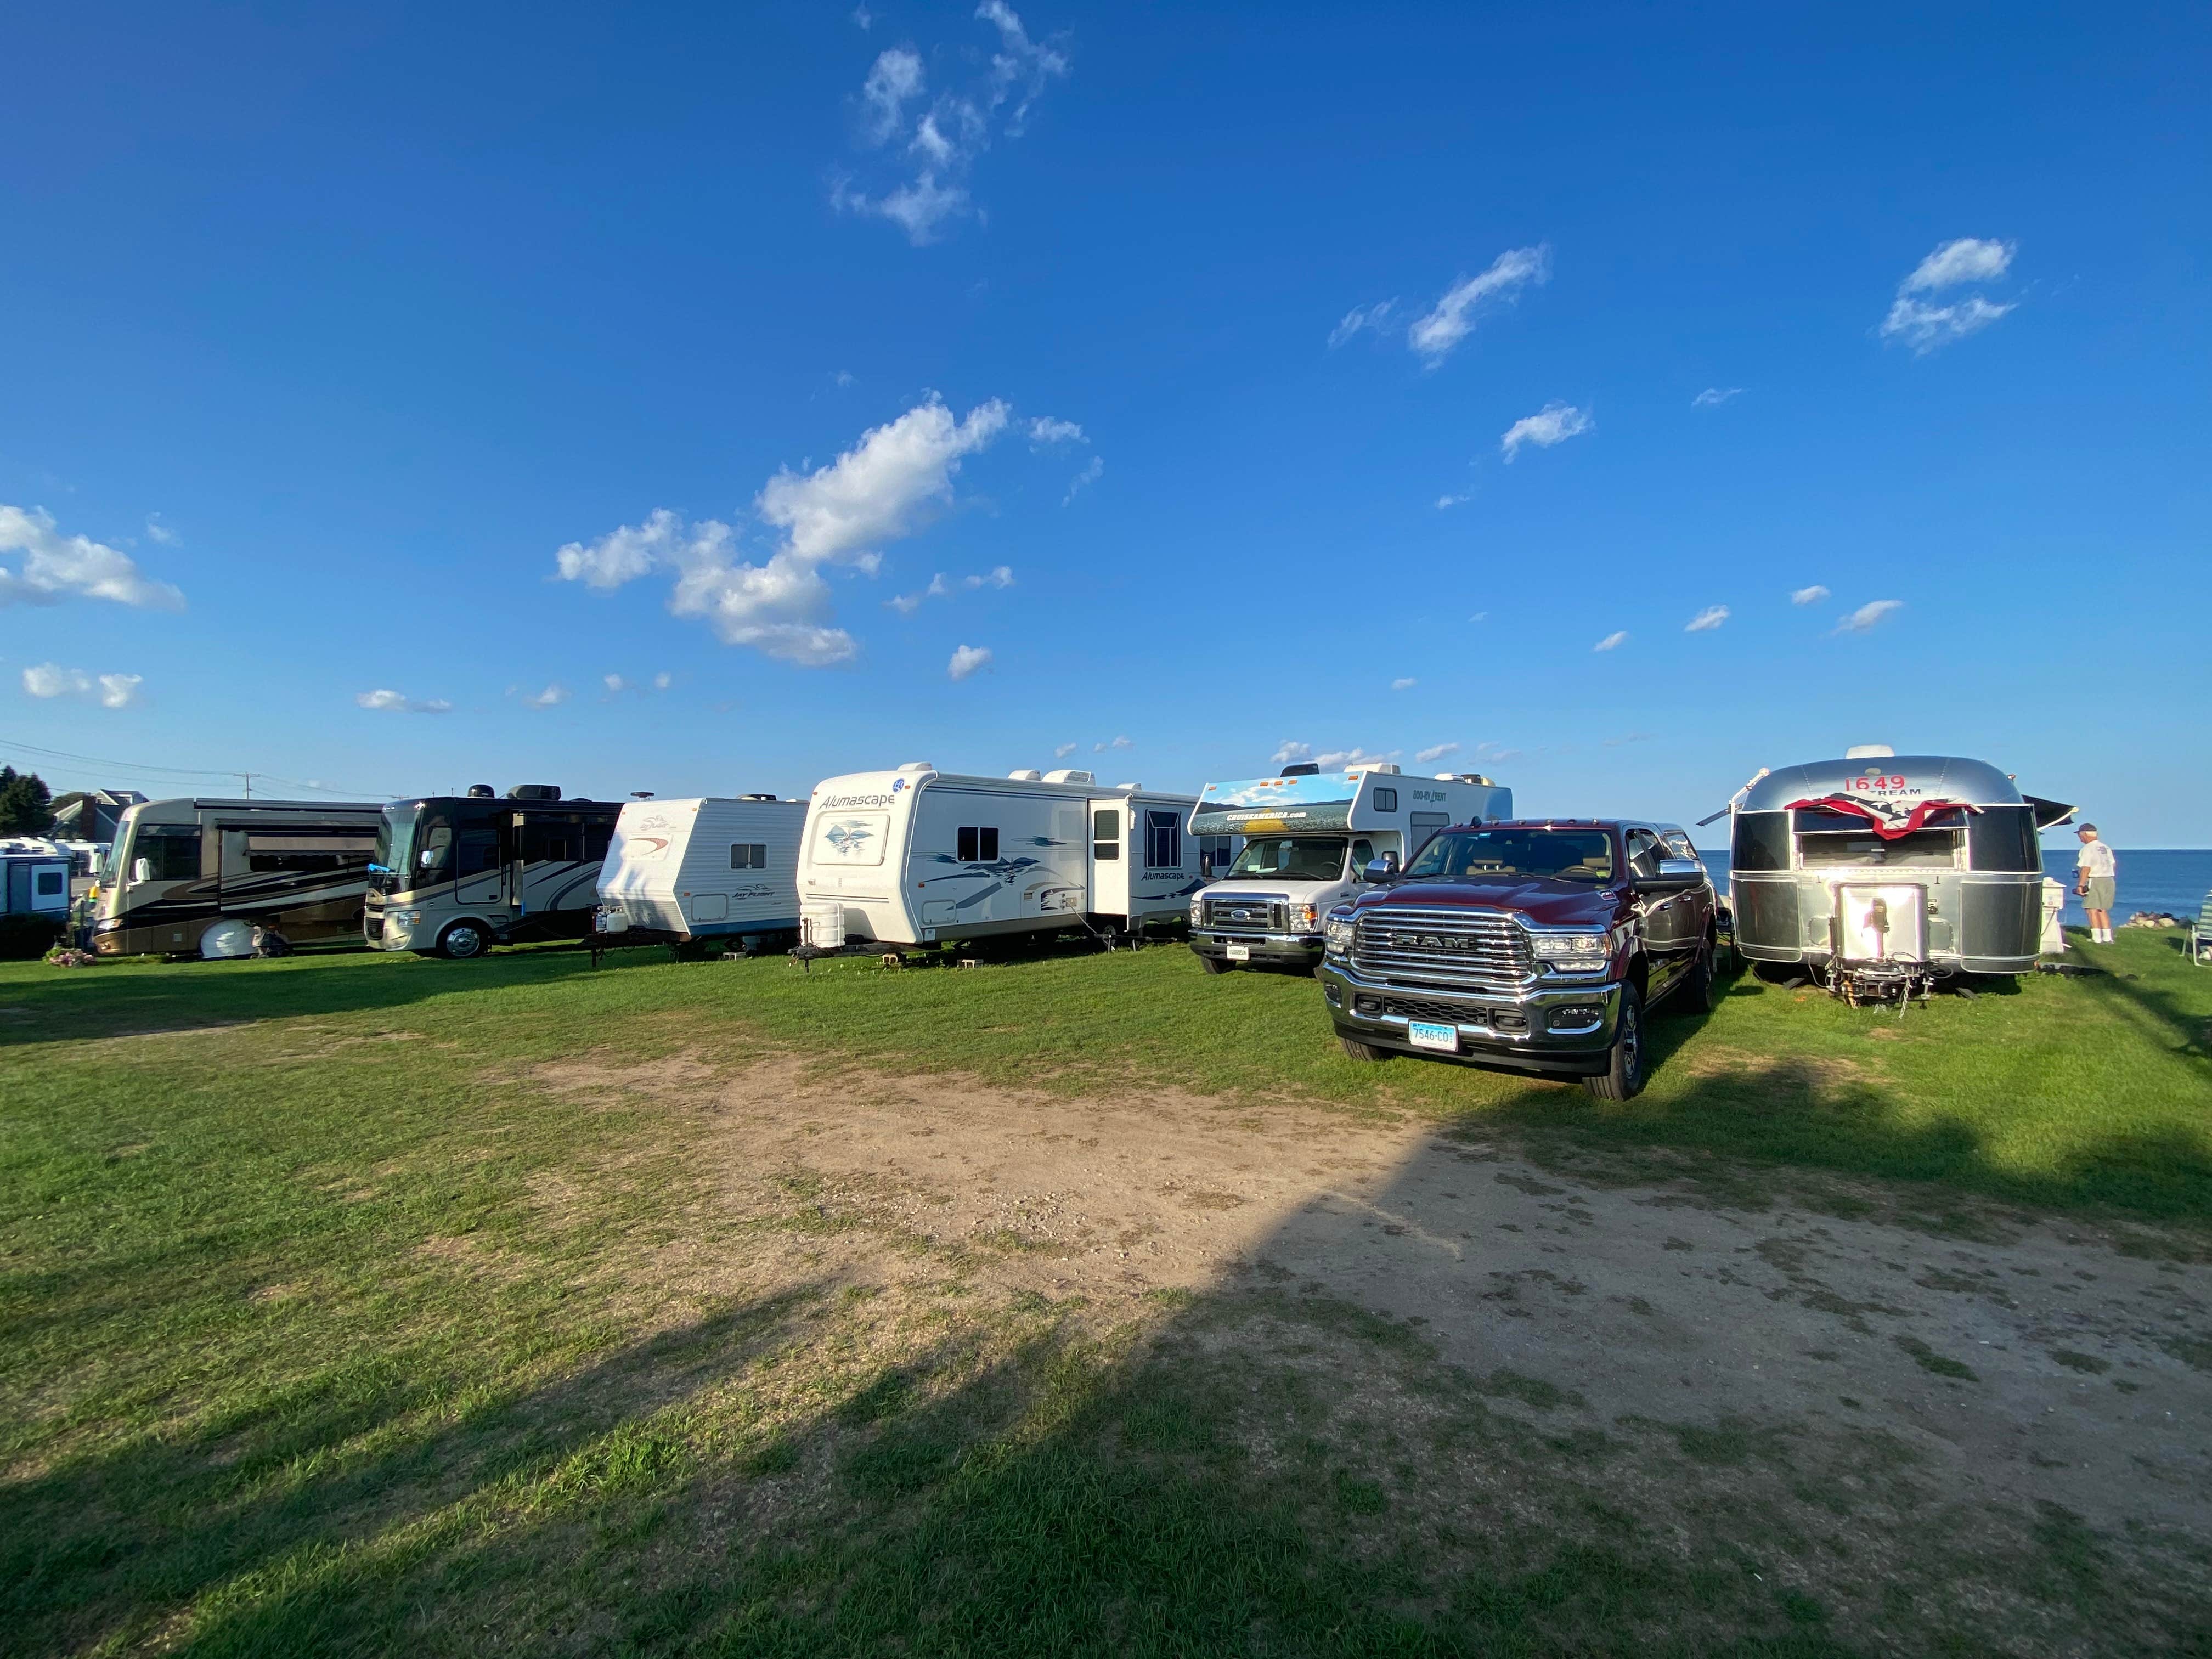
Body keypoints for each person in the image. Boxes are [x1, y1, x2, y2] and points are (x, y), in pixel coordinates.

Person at [2075, 823, 2118, 944]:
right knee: (2102, 909)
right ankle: (2107, 937)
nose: (2080, 838)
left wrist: (2081, 885)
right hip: (2109, 879)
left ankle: (2097, 938)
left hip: (2095, 879)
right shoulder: (2105, 847)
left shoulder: (2088, 849)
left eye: (2080, 835)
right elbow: (2113, 864)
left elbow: (2086, 868)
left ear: (2084, 835)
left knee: (2091, 909)